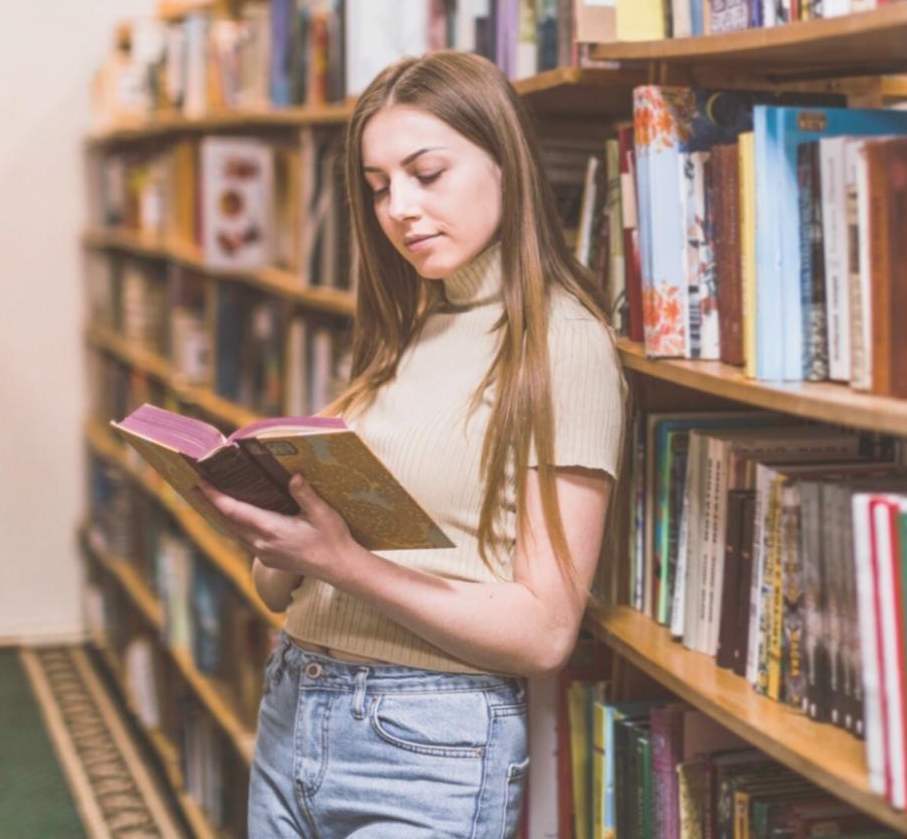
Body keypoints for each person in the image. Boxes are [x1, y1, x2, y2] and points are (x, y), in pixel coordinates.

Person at [200, 50, 627, 837]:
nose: (399, 207)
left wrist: (341, 562)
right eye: (378, 187)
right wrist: (274, 528)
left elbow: (544, 633)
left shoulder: (561, 345)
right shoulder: (411, 328)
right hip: (295, 700)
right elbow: (280, 588)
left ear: (506, 163)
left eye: (426, 173)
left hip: (425, 741)